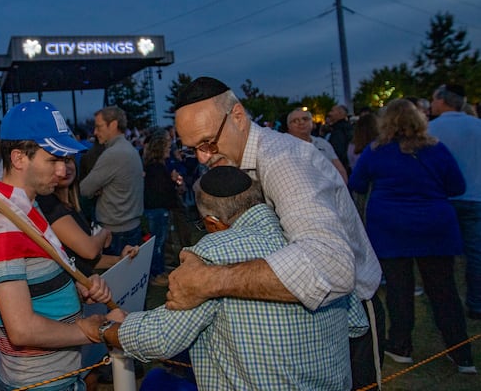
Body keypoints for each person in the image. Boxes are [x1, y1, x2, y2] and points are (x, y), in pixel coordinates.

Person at [166, 77, 383, 389]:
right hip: (304, 310)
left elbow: (331, 267)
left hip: (351, 311)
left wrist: (210, 280)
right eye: (192, 149)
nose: (202, 157)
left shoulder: (284, 161)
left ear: (237, 116)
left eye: (208, 143)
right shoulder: (238, 162)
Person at [84, 166, 365, 389]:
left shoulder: (214, 251)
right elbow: (356, 324)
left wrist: (103, 329)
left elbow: (162, 337)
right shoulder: (308, 235)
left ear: (212, 223)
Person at [0, 101, 111, 390]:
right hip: (37, 382)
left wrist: (78, 286)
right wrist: (88, 331)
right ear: (19, 158)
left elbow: (37, 280)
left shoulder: (31, 209)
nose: (61, 170)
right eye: (53, 159)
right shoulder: (5, 225)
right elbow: (21, 329)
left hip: (59, 375)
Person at [349, 98, 475, 373]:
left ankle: (401, 344)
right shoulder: (436, 149)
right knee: (444, 291)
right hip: (435, 226)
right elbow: (457, 186)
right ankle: (461, 353)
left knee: (398, 289)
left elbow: (357, 183)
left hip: (391, 227)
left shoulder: (376, 151)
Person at [428, 84, 481, 321]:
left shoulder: (430, 130)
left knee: (441, 258)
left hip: (442, 200)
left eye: (433, 100)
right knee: (475, 253)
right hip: (475, 196)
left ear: (442, 101)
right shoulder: (477, 126)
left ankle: (446, 303)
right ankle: (476, 302)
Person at [36, 156, 138, 276]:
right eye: (55, 162)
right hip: (68, 288)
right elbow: (89, 251)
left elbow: (82, 260)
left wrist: (120, 259)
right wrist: (104, 233)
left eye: (68, 161)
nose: (65, 168)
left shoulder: (73, 205)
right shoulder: (48, 204)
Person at [80, 106, 144, 256]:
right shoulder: (129, 149)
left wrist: (98, 189)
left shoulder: (113, 154)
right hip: (130, 226)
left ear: (113, 124)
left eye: (99, 126)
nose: (95, 132)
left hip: (116, 232)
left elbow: (84, 189)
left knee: (116, 278)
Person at [142, 128, 181, 287]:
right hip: (157, 210)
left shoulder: (156, 166)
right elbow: (160, 192)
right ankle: (156, 274)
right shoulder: (156, 168)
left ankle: (159, 270)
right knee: (157, 243)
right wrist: (172, 182)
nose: (169, 148)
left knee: (160, 242)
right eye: (166, 146)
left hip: (158, 209)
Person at [286, 108, 348, 183]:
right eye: (296, 120)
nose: (301, 122)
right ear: (289, 126)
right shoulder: (285, 147)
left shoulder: (323, 143)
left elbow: (340, 170)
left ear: (312, 123)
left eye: (305, 119)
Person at [326, 104, 354, 173]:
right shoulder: (347, 127)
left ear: (340, 113)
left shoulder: (339, 130)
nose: (329, 113)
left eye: (332, 111)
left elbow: (338, 151)